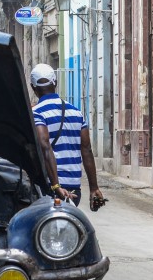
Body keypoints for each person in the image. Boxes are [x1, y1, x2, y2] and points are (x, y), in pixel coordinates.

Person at [30, 64, 104, 208]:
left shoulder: (36, 113)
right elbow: (87, 150)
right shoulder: (76, 113)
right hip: (74, 188)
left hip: (50, 187)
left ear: (33, 88)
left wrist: (56, 186)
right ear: (55, 83)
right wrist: (94, 188)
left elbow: (45, 148)